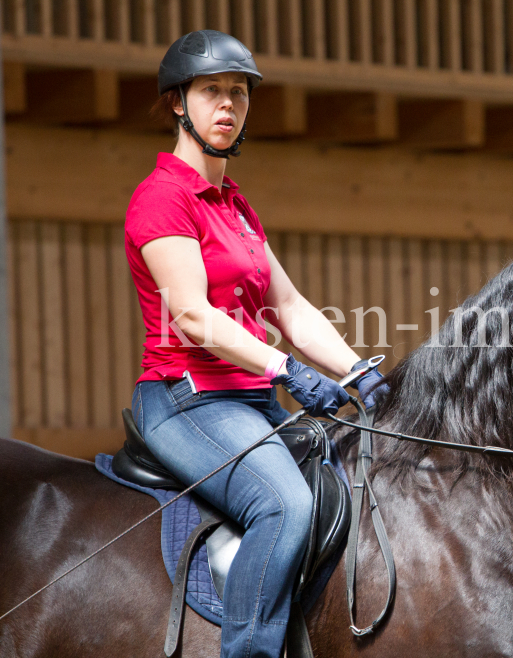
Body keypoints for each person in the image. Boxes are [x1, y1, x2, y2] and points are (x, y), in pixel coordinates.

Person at [124, 30, 383, 658]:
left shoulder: (234, 204)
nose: (229, 105)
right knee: (285, 505)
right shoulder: (162, 199)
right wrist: (288, 370)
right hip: (186, 401)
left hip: (250, 401)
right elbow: (191, 315)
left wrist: (361, 375)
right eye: (212, 91)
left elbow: (288, 306)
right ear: (178, 103)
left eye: (239, 93)